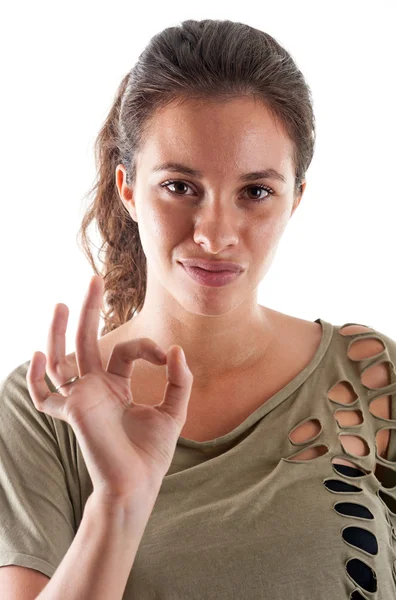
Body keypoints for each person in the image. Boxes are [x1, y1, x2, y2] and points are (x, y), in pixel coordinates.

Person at [1, 18, 396, 600]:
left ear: (295, 200)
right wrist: (120, 501)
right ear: (129, 189)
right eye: (180, 186)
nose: (214, 233)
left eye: (256, 191)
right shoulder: (45, 407)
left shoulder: (373, 378)